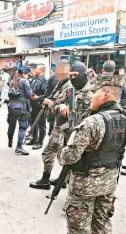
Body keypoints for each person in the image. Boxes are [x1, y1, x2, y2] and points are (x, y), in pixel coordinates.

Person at [56, 75, 126, 234]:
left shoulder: (92, 122)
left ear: (106, 93)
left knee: (79, 219)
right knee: (102, 218)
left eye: (95, 93)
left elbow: (70, 156)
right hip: (110, 179)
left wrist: (60, 150)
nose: (91, 97)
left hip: (86, 181)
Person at [30, 61, 89, 190]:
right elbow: (58, 105)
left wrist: (52, 104)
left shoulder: (90, 92)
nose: (73, 78)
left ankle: (57, 180)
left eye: (75, 75)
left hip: (76, 131)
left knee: (59, 154)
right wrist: (57, 106)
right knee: (55, 153)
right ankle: (58, 179)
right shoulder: (69, 88)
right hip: (62, 126)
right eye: (71, 75)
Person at [7, 66, 33, 156]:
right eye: (27, 75)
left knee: (11, 125)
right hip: (21, 108)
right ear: (23, 74)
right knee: (23, 127)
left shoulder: (11, 81)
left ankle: (10, 141)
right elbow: (29, 95)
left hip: (11, 107)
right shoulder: (24, 81)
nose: (28, 77)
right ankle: (19, 147)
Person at [25, 64, 47, 150]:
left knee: (41, 124)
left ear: (41, 70)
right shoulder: (34, 78)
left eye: (36, 69)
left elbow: (46, 94)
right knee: (33, 122)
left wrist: (38, 97)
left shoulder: (44, 80)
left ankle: (40, 142)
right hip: (32, 104)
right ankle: (34, 139)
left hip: (39, 105)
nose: (34, 70)